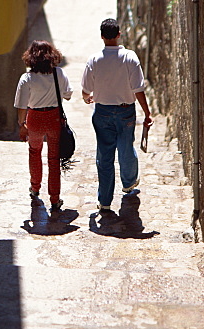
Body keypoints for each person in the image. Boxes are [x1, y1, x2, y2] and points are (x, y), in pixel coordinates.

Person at [81, 18, 153, 213]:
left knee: (104, 156)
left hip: (102, 112)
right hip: (125, 111)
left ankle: (104, 200)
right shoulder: (130, 57)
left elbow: (86, 90)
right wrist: (147, 112)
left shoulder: (94, 60)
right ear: (119, 35)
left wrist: (88, 97)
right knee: (126, 148)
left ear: (102, 36)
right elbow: (138, 89)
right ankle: (129, 184)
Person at [14, 40, 73, 212]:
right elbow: (68, 95)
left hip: (35, 119)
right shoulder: (58, 74)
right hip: (54, 118)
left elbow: (21, 105)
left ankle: (35, 188)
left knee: (34, 152)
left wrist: (22, 124)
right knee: (54, 159)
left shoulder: (27, 79)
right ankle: (55, 199)